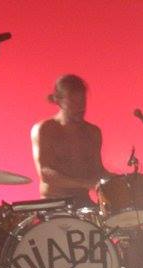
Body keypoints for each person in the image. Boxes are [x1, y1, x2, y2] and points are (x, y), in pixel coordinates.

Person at [30, 74, 111, 203]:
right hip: (53, 203)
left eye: (83, 101)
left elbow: (97, 170)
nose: (80, 107)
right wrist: (84, 183)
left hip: (82, 202)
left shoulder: (93, 132)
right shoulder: (45, 129)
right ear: (58, 101)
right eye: (73, 102)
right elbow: (45, 173)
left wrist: (125, 180)